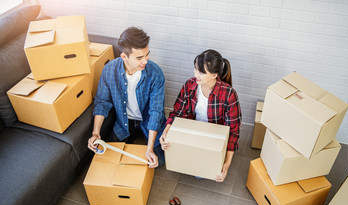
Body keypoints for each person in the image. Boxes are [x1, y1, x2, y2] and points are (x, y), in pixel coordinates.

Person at [88, 27, 166, 168]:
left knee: (159, 160)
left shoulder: (156, 74)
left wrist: (149, 149)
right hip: (124, 121)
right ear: (124, 56)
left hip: (147, 121)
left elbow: (156, 112)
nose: (145, 61)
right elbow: (102, 103)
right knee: (108, 155)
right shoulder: (109, 70)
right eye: (139, 58)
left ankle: (146, 142)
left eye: (147, 55)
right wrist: (95, 133)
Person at [160, 49, 241, 182]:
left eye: (202, 72)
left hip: (213, 137)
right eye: (195, 69)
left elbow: (233, 132)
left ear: (215, 75)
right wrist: (166, 133)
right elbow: (177, 112)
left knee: (200, 172)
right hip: (193, 130)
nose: (196, 74)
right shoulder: (190, 85)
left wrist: (226, 164)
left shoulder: (229, 94)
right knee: (175, 157)